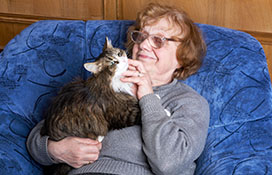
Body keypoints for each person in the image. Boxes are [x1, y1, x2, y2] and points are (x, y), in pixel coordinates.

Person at [27, 3, 210, 175]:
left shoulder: (189, 102)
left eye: (158, 40)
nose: (144, 45)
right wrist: (55, 149)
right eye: (141, 36)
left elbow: (169, 163)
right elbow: (41, 134)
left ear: (182, 56)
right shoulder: (103, 83)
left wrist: (147, 96)